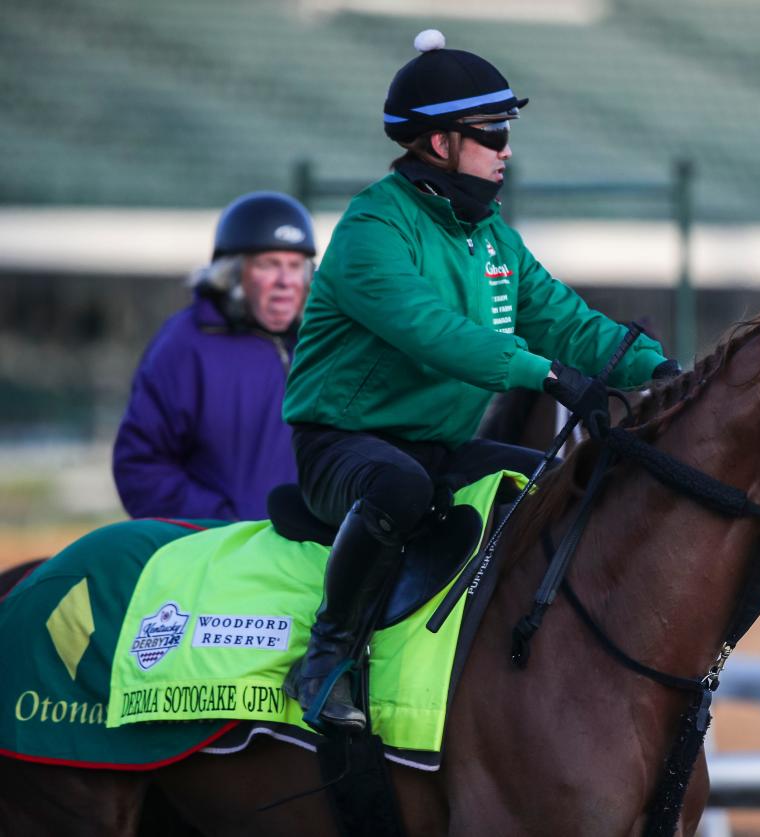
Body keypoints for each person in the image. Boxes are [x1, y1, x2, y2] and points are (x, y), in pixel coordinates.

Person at [281, 29, 679, 732]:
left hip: (439, 445)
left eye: (505, 133)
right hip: (343, 445)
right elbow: (434, 333)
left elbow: (568, 320)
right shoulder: (373, 228)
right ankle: (326, 655)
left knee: (557, 484)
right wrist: (545, 374)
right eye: (492, 133)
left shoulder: (493, 237)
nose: (506, 149)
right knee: (397, 485)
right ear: (439, 144)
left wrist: (669, 371)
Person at [112, 192, 316, 521]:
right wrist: (220, 525)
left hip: (308, 554)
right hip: (217, 554)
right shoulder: (186, 344)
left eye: (295, 266)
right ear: (233, 274)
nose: (285, 282)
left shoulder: (322, 344)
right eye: (268, 264)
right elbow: (141, 465)